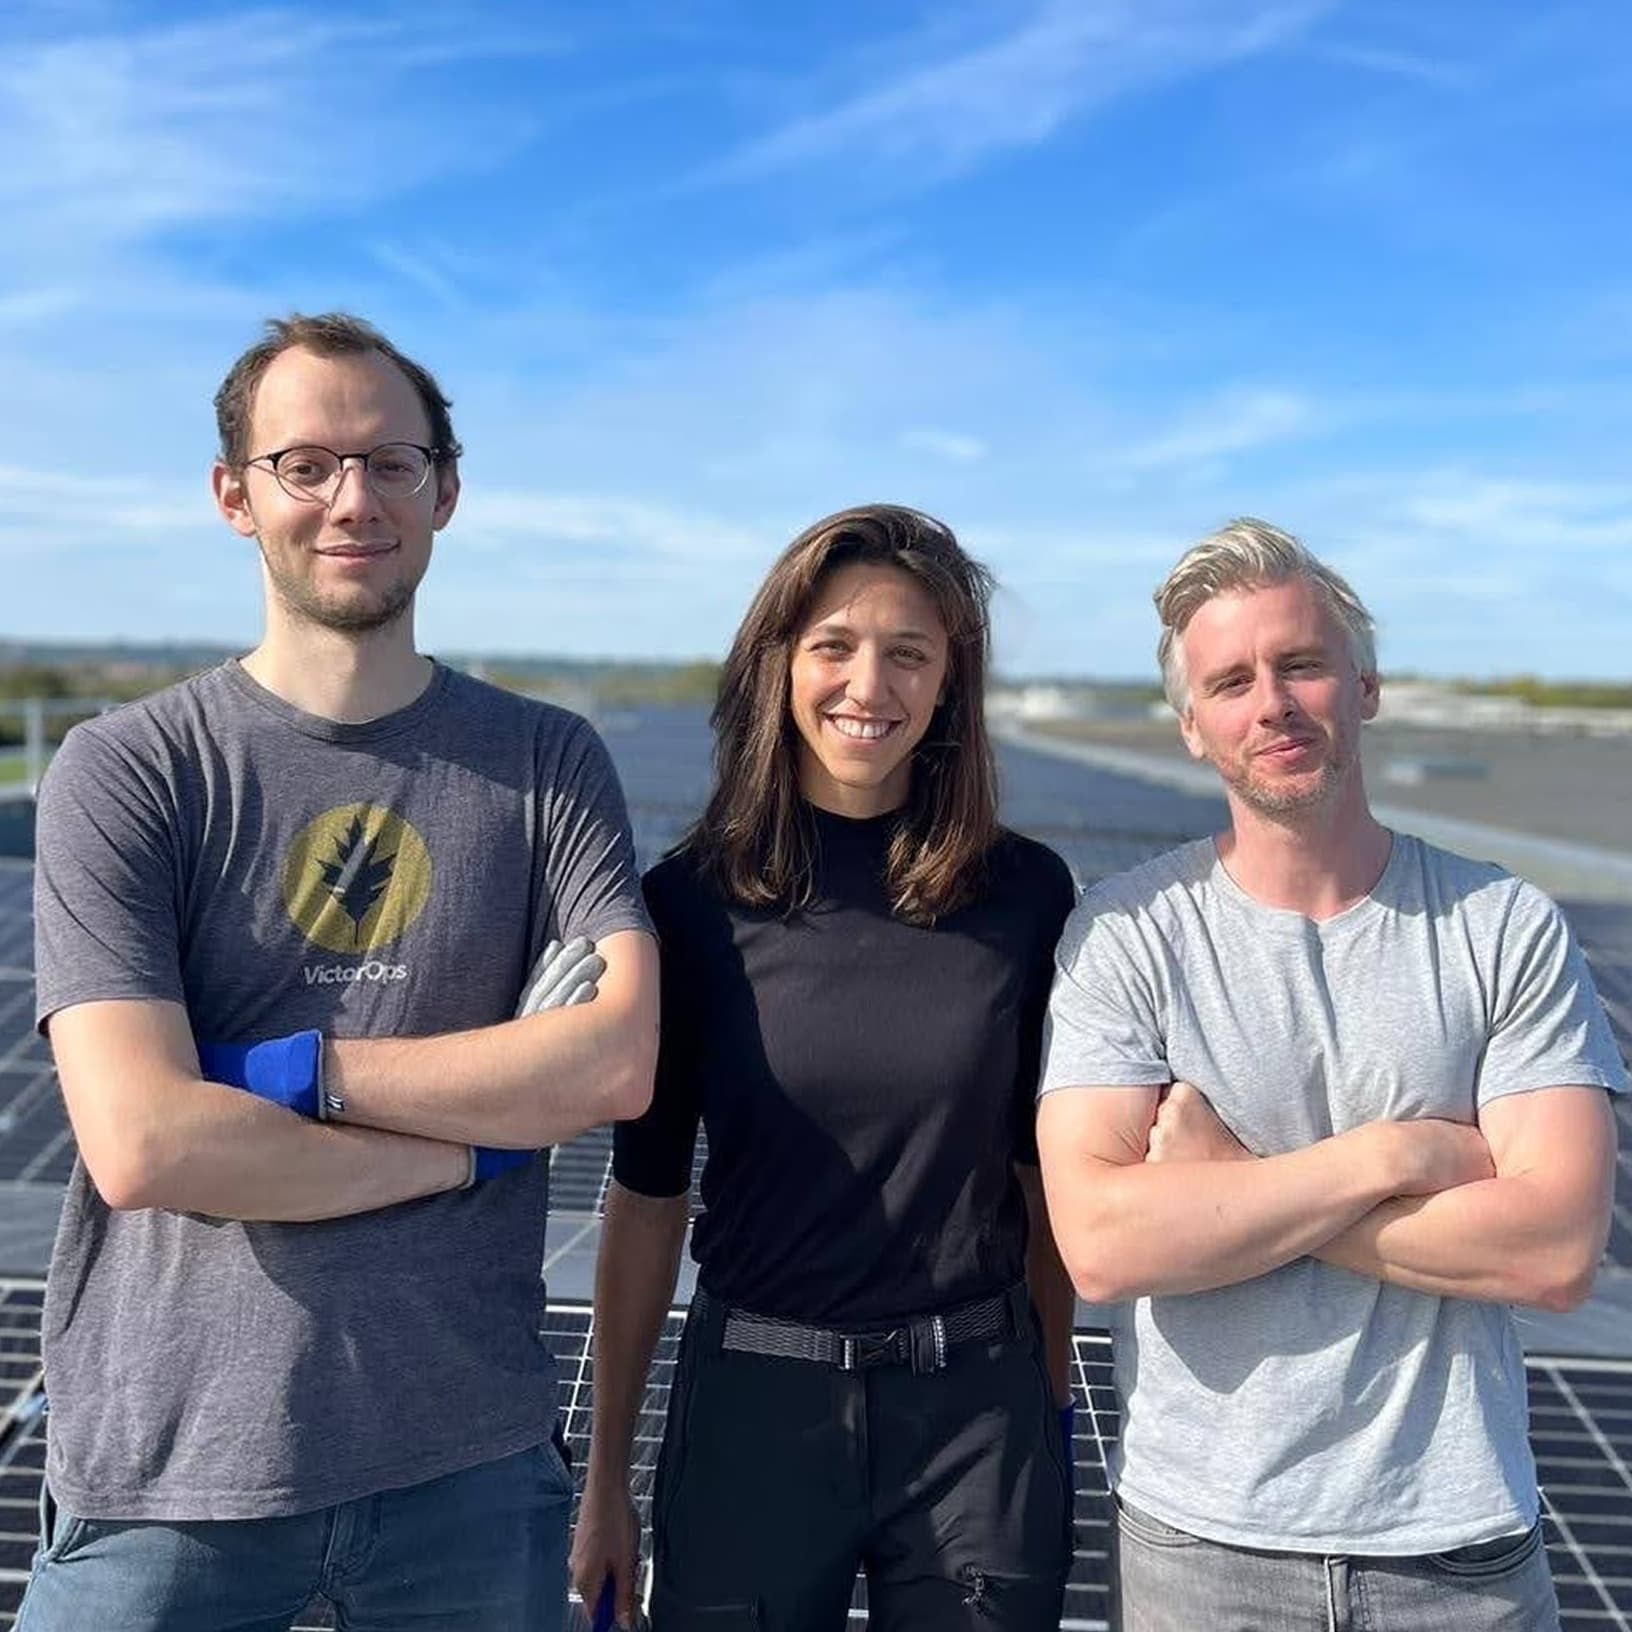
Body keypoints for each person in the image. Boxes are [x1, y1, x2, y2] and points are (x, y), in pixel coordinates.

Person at [24, 312, 659, 1632]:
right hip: (170, 1473)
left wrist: (287, 1078)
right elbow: (146, 1143)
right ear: (233, 497)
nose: (352, 498)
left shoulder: (547, 763)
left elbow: (613, 1057)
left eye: (392, 462)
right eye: (304, 464)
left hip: (468, 1464)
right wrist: (461, 1151)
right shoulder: (131, 769)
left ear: (446, 491)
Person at [1037, 518, 1626, 1632]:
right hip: (1202, 1548)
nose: (1272, 702)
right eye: (1231, 680)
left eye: (1301, 664)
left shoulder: (1501, 928)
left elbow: (1554, 1252)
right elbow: (1107, 1246)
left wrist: (1232, 1185)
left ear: (1364, 686)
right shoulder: (1126, 936)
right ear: (1193, 728)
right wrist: (1395, 1157)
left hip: (1459, 1553)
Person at [570, 504, 1077, 1631]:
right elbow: (648, 1202)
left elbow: (1044, 1189)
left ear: (951, 684)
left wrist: (1045, 1409)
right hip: (757, 1411)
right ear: (778, 666)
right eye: (834, 646)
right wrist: (609, 1476)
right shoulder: (686, 909)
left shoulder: (1028, 897)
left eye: (911, 654)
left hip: (975, 1421)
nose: (870, 684)